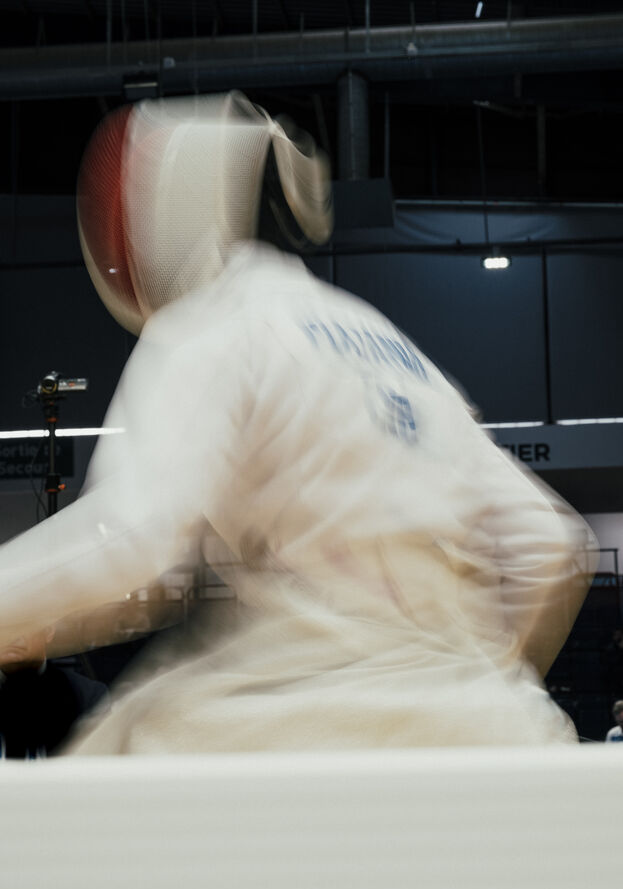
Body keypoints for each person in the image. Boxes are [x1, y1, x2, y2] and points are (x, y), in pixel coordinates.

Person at [0, 91, 597, 753]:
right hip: (487, 729)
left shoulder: (214, 326)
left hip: (298, 722)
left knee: (102, 764)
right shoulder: (393, 348)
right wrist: (462, 677)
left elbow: (131, 539)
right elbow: (548, 540)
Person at [0, 628, 108, 758]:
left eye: (24, 625)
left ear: (49, 631)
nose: (12, 637)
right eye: (4, 626)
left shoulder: (88, 695)